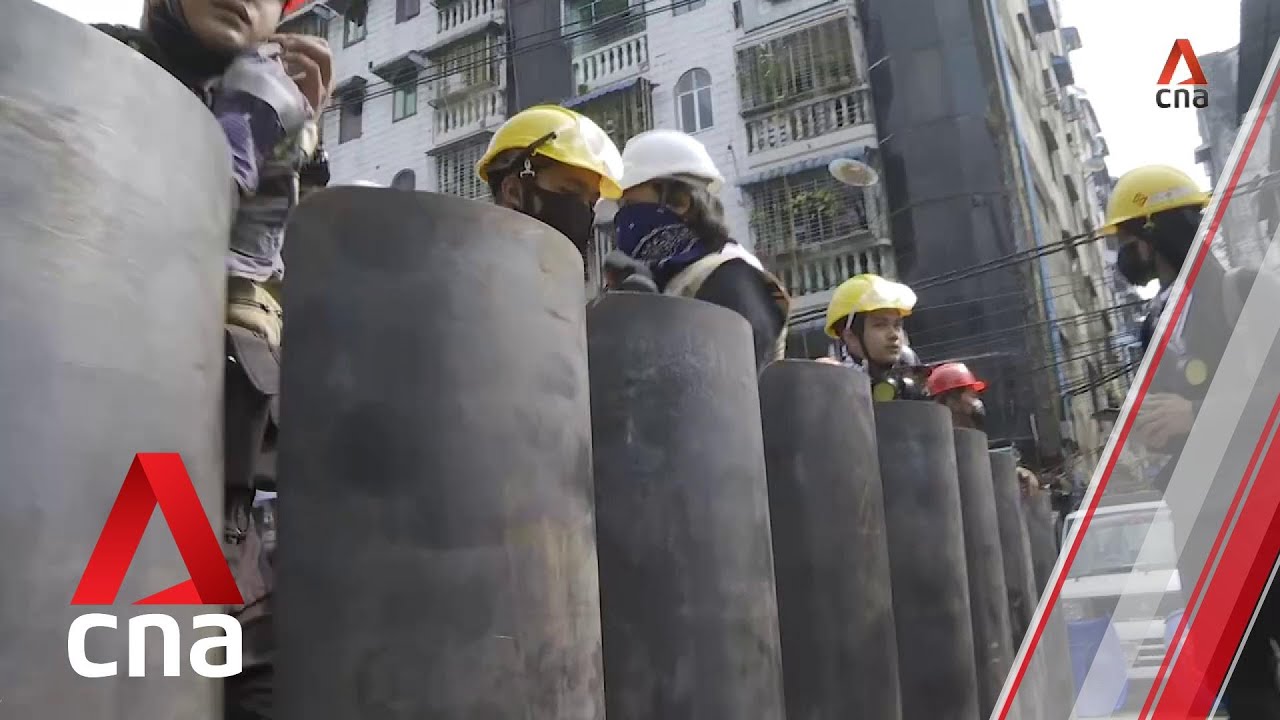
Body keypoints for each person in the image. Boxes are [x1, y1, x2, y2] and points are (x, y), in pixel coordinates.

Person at [1108, 164, 1277, 716]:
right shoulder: (1154, 322)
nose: (1121, 255)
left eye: (1127, 239)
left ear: (1154, 233)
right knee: (1234, 670)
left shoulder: (1244, 289)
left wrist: (1196, 413)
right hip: (1200, 523)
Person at [599, 130, 790, 371]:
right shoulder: (668, 278)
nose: (623, 222)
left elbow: (729, 381)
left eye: (631, 206)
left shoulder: (729, 275)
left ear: (679, 202)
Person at [476, 104, 623, 261]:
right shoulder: (466, 273)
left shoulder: (563, 281)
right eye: (569, 191)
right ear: (513, 191)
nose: (583, 211)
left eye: (592, 202)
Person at [821, 273, 924, 400]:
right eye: (880, 325)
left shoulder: (910, 365)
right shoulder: (831, 382)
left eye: (897, 325)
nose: (894, 335)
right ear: (851, 337)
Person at [927, 362, 988, 430]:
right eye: (971, 393)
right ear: (951, 399)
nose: (976, 400)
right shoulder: (931, 433)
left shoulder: (973, 427)